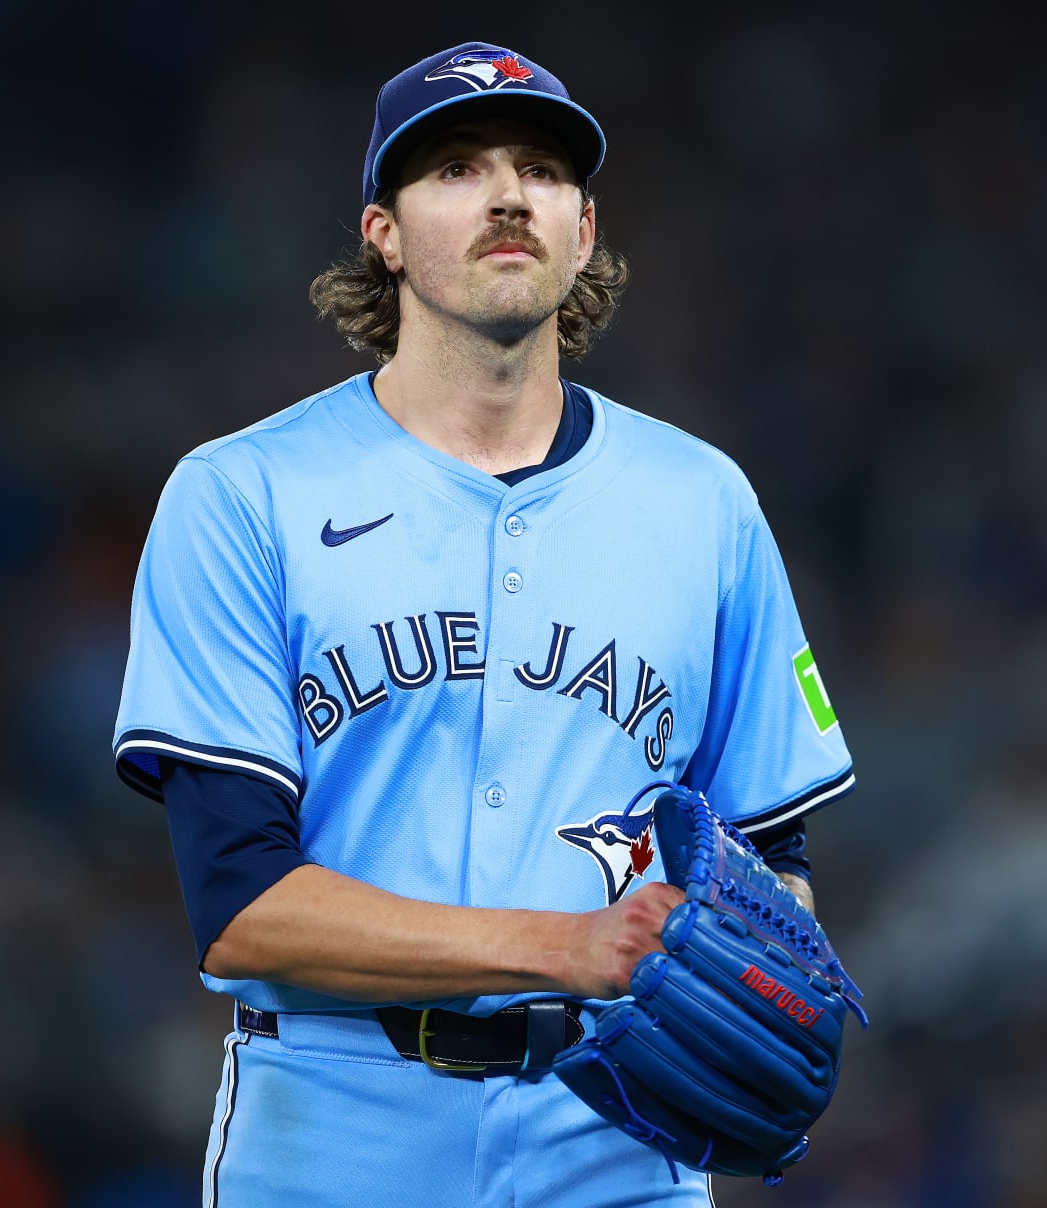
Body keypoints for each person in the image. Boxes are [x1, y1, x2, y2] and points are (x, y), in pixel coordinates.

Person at [112, 42, 857, 1207]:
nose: (509, 193)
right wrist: (566, 945)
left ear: (584, 225)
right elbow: (242, 907)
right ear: (384, 233)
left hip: (614, 1133)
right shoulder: (244, 493)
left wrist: (758, 958)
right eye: (456, 168)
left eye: (541, 171)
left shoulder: (703, 501)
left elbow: (774, 851)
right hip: (332, 1124)